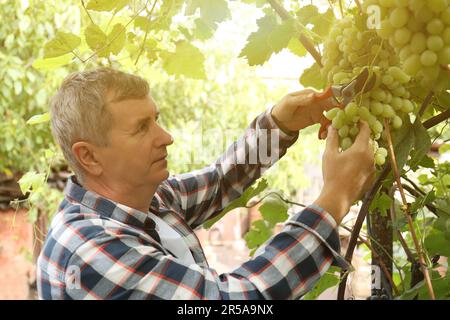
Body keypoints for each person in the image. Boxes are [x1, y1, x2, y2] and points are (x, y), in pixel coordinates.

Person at [37, 68, 375, 300]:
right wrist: (334, 200)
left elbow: (220, 180)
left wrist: (281, 124)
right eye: (141, 128)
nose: (166, 137)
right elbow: (238, 299)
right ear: (90, 157)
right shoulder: (89, 251)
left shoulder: (148, 201)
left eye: (157, 119)